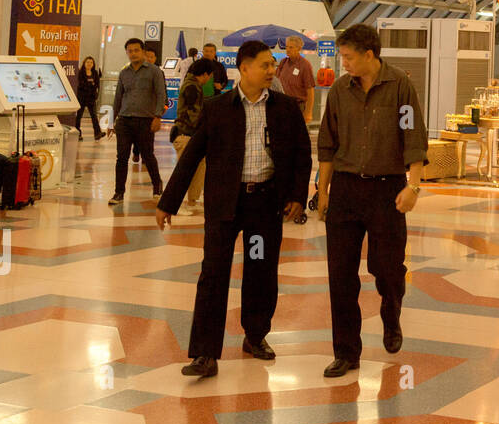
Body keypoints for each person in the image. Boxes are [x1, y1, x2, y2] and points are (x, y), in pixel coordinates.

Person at [156, 39, 310, 379]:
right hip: (226, 205)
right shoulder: (218, 108)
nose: (272, 71)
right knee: (213, 274)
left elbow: (302, 155)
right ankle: (205, 353)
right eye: (265, 65)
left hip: (263, 205)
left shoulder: (284, 108)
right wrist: (169, 202)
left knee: (260, 270)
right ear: (244, 69)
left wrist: (297, 196)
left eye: (273, 65)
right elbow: (192, 156)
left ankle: (255, 337)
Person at [317, 23, 427, 378]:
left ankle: (391, 309)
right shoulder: (338, 91)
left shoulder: (400, 87)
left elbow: (413, 138)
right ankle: (346, 352)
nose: (343, 63)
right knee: (340, 275)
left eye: (348, 57)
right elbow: (328, 145)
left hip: (387, 191)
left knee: (388, 268)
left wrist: (413, 187)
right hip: (346, 191)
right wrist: (322, 191)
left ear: (369, 54)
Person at [107, 37, 166, 206]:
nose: (133, 54)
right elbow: (118, 97)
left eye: (136, 50)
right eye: (130, 51)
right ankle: (119, 193)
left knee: (148, 155)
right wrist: (111, 122)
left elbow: (161, 94)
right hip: (124, 121)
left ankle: (157, 185)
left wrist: (157, 116)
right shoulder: (124, 73)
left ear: (143, 51)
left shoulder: (154, 71)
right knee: (121, 158)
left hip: (145, 121)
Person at [169, 58, 216, 216]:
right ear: (203, 74)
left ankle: (192, 201)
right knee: (184, 171)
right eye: (209, 75)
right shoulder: (192, 87)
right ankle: (177, 204)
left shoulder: (194, 85)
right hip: (186, 135)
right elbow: (193, 114)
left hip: (192, 135)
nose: (209, 79)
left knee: (199, 169)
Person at [275, 35, 316, 124]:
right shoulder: (283, 62)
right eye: (286, 47)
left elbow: (310, 90)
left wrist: (308, 112)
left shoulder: (305, 65)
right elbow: (276, 80)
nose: (288, 49)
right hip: (282, 105)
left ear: (298, 48)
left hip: (298, 106)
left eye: (291, 47)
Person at [74, 57, 104, 141]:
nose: (89, 64)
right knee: (79, 116)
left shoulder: (95, 73)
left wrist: (94, 91)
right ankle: (78, 134)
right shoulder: (80, 73)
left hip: (91, 98)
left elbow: (97, 85)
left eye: (91, 62)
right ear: (84, 63)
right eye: (87, 62)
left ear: (93, 64)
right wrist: (91, 84)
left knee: (94, 116)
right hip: (81, 98)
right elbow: (81, 85)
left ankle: (98, 133)